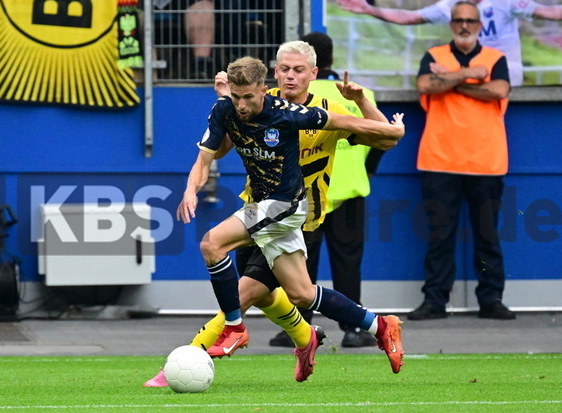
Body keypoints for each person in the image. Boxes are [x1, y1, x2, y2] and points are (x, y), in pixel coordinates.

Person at [145, 43, 406, 388]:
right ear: (274, 72)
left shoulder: (321, 109)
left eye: (298, 70)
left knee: (238, 289)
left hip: (294, 214)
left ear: (313, 74)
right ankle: (345, 330)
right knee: (292, 294)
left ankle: (185, 362)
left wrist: (361, 101)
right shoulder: (254, 100)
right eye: (284, 69)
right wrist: (228, 103)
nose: (290, 76)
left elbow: (384, 140)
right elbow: (219, 149)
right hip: (256, 209)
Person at [268, 32, 383, 349]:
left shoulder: (292, 94)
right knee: (348, 261)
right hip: (348, 188)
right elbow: (379, 138)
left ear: (312, 66)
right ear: (331, 58)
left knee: (300, 261)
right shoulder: (357, 93)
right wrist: (365, 171)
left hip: (306, 191)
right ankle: (354, 327)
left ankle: (298, 327)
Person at [408, 1, 516, 321]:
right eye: (458, 20)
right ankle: (435, 300)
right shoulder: (434, 55)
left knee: (487, 236)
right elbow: (425, 85)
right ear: (451, 24)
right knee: (439, 237)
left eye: (470, 20)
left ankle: (491, 300)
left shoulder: (495, 58)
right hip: (439, 160)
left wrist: (450, 82)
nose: (464, 26)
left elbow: (498, 90)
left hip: (486, 161)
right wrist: (469, 75)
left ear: (480, 25)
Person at [337, 0, 562, 86]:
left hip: (506, 72)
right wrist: (369, 10)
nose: (465, 25)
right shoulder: (449, 6)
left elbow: (549, 12)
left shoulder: (507, 2)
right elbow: (410, 17)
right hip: (466, 73)